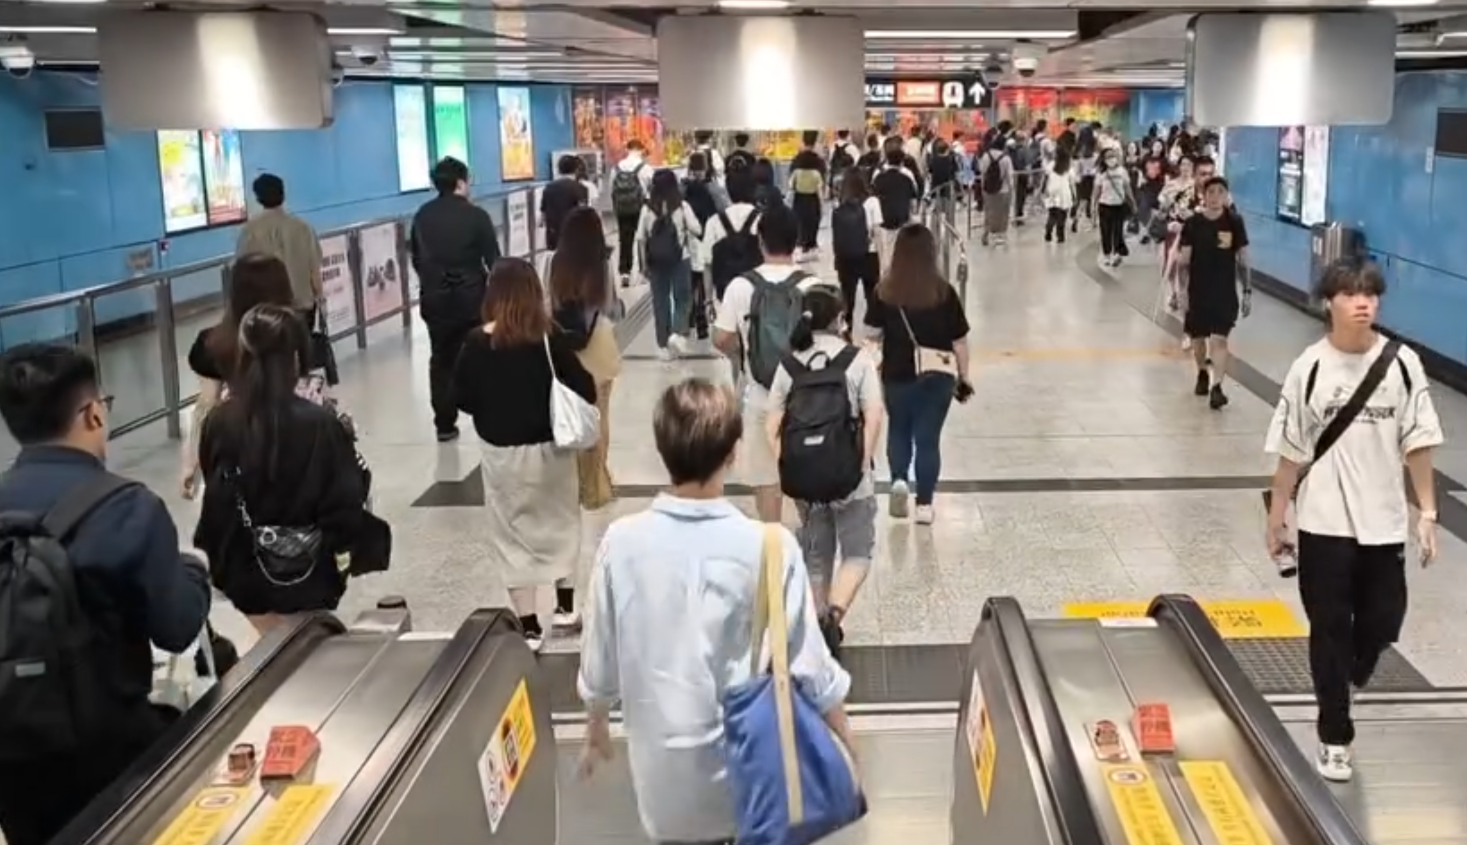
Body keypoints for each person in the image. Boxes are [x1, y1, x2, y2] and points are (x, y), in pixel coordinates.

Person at [576, 378, 853, 843]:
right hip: (747, 784)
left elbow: (599, 662)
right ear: (733, 453)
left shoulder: (621, 543)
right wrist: (847, 750)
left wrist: (596, 725)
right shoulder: (770, 546)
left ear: (663, 451)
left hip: (663, 792)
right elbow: (811, 670)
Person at [0, 343, 212, 845]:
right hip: (110, 752)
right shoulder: (126, 509)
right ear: (93, 413)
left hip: (13, 753)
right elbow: (178, 627)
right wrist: (192, 570)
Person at [1264, 260, 1443, 783]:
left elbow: (1419, 441)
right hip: (1323, 524)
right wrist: (1277, 518)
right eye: (1350, 294)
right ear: (1328, 302)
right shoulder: (1310, 367)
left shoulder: (1402, 363)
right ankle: (1334, 734)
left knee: (1385, 620)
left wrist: (1427, 512)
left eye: (1370, 294)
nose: (1363, 303)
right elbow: (1289, 451)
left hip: (1383, 521)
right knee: (1328, 631)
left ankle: (1348, 676)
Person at [193, 303, 367, 633]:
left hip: (242, 572)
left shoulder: (220, 422)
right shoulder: (321, 424)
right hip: (312, 575)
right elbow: (345, 508)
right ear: (297, 358)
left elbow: (216, 498)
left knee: (273, 641)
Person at [454, 258, 596, 652]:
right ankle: (566, 610)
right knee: (561, 524)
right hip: (552, 452)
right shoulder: (550, 337)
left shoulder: (477, 343)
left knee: (512, 535)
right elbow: (586, 389)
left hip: (502, 457)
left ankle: (530, 627)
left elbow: (461, 398)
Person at [765, 286, 883, 657]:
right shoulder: (858, 360)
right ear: (840, 320)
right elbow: (875, 414)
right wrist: (862, 461)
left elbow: (772, 424)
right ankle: (833, 615)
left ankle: (817, 620)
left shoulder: (788, 364)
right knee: (857, 552)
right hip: (849, 474)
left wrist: (789, 461)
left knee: (817, 554)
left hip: (805, 479)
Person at [713, 203, 824, 524]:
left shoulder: (740, 286)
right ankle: (812, 540)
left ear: (760, 241)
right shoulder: (813, 285)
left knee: (765, 480)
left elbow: (720, 339)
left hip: (760, 396)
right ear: (797, 240)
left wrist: (747, 346)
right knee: (806, 477)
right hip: (805, 399)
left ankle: (771, 541)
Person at [863, 225, 972, 525]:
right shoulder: (943, 292)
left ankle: (898, 479)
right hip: (938, 376)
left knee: (899, 428)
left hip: (897, 374)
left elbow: (871, 337)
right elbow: (960, 341)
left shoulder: (884, 291)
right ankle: (924, 504)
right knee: (928, 440)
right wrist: (964, 376)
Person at [549, 207, 623, 630]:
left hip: (563, 348)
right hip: (599, 344)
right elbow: (610, 306)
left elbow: (548, 303)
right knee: (601, 412)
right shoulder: (602, 264)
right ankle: (596, 480)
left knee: (569, 407)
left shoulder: (553, 262)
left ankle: (571, 472)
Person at [181, 254, 303, 499]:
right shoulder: (293, 334)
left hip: (235, 447)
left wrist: (190, 462)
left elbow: (206, 405)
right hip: (293, 443)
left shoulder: (214, 343)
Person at [409, 156, 501, 442]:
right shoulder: (477, 216)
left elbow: (417, 258)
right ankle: (490, 414)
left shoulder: (422, 215)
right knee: (484, 355)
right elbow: (494, 261)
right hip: (473, 299)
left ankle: (445, 423)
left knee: (441, 359)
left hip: (435, 300)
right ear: (461, 182)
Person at [1177, 176, 1251, 410]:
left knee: (1220, 340)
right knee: (1199, 338)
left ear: (1227, 196)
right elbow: (1184, 262)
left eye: (1221, 192)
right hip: (1198, 290)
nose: (1215, 197)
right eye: (1211, 192)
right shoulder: (1193, 223)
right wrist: (1182, 291)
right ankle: (1201, 371)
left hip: (1224, 291)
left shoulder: (1234, 222)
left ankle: (1217, 387)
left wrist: (1248, 290)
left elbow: (1244, 258)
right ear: (1203, 195)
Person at [234, 173, 322, 326]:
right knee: (304, 347)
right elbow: (314, 270)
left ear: (258, 198)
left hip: (268, 312)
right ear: (283, 194)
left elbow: (243, 270)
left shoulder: (250, 231)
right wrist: (319, 298)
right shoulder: (303, 228)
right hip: (303, 306)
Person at [634, 168, 702, 360]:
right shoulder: (681, 206)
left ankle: (662, 345)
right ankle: (678, 332)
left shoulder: (647, 209)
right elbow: (697, 229)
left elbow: (640, 238)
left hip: (655, 261)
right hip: (680, 258)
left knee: (660, 301)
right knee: (683, 297)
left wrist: (643, 265)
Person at [829, 168, 883, 329]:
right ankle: (874, 330)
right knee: (872, 293)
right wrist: (883, 257)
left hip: (845, 255)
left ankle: (847, 327)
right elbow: (877, 232)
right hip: (869, 254)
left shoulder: (838, 202)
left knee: (847, 295)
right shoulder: (872, 201)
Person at [702, 168, 762, 304]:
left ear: (728, 191)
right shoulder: (762, 219)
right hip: (756, 294)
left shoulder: (714, 222)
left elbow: (707, 265)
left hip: (725, 295)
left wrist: (708, 301)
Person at [610, 140, 655, 287]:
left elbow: (612, 189)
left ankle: (625, 272)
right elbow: (651, 188)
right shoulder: (646, 168)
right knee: (643, 238)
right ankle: (644, 271)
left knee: (625, 239)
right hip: (641, 207)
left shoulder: (616, 168)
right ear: (641, 149)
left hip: (622, 208)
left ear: (627, 149)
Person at [788, 130, 827, 258]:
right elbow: (823, 182)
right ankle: (811, 247)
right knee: (812, 223)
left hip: (799, 199)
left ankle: (800, 247)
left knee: (800, 222)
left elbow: (790, 183)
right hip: (813, 198)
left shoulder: (796, 160)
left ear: (803, 141)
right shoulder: (819, 161)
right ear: (815, 142)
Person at [1094, 145, 1134, 266]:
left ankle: (1116, 253)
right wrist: (1093, 206)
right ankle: (1106, 254)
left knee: (1118, 231)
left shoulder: (1122, 171)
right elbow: (1096, 191)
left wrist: (1133, 202)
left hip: (1118, 206)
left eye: (1113, 156)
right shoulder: (1101, 174)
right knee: (1105, 232)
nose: (1111, 159)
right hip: (1104, 206)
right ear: (1103, 160)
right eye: (1108, 157)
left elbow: (1127, 188)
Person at [541, 154, 590, 252]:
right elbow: (583, 213)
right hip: (573, 235)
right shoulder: (581, 188)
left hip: (553, 235)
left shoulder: (549, 187)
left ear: (559, 169)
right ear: (576, 169)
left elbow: (543, 212)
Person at [976, 138, 1013, 246]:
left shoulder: (986, 156)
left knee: (989, 212)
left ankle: (988, 233)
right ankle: (1000, 235)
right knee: (1002, 213)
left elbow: (982, 172)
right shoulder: (1006, 158)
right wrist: (1011, 188)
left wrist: (983, 187)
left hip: (988, 189)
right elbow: (1009, 176)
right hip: (1003, 189)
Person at [1043, 149, 1077, 244]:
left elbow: (1046, 178)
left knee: (1052, 214)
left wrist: (1045, 190)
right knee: (1062, 216)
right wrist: (1075, 195)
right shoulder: (1068, 168)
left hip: (1052, 191)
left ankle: (1048, 231)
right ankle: (1060, 236)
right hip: (1064, 193)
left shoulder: (1051, 165)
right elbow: (1072, 183)